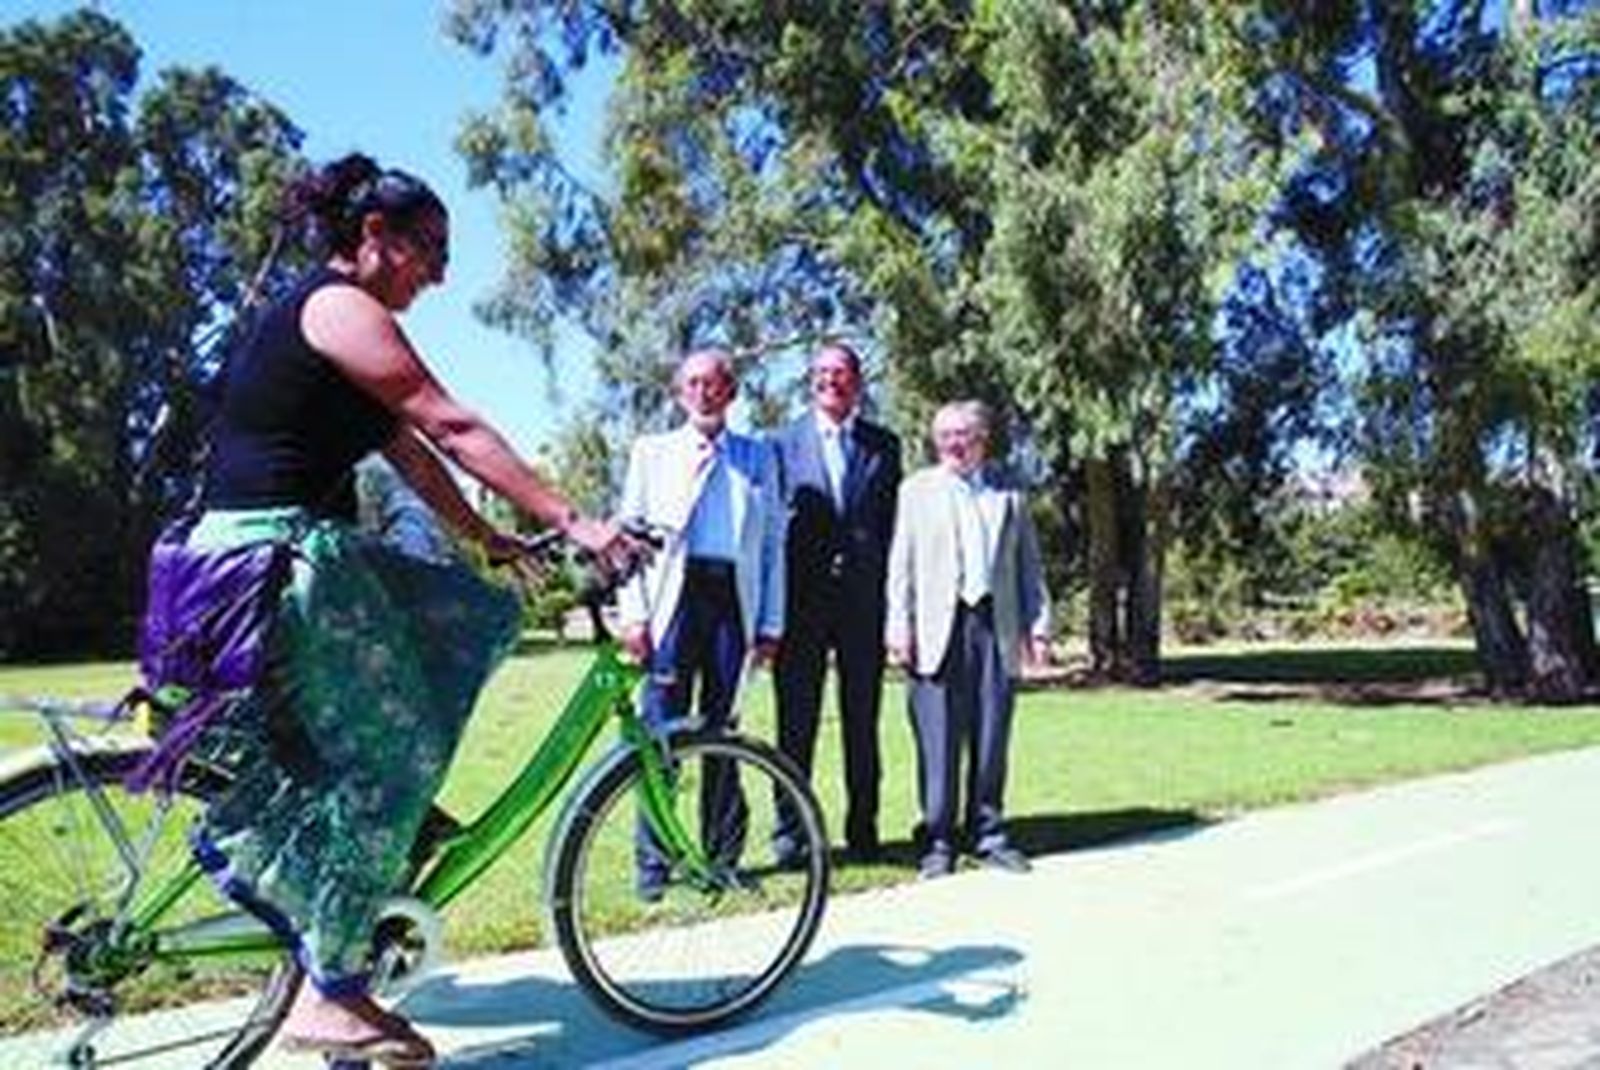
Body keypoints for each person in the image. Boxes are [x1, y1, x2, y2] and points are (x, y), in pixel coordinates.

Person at [174, 153, 636, 1065]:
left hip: (263, 550)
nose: (441, 271)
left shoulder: (336, 329)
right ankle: (332, 989)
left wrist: (486, 539)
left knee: (469, 612)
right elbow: (452, 424)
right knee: (395, 755)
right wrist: (576, 521)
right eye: (429, 246)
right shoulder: (342, 307)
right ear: (373, 237)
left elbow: (415, 455)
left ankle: (374, 857)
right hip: (279, 557)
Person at [616, 348, 785, 897]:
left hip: (732, 601)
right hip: (672, 601)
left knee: (721, 735)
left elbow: (773, 547)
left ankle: (722, 859)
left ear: (731, 392)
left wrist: (771, 622)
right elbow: (628, 540)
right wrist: (635, 616)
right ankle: (653, 867)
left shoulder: (758, 457)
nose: (704, 392)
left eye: (715, 383)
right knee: (660, 737)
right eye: (693, 383)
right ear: (678, 392)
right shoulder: (652, 453)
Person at [885, 400, 1050, 880]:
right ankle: (937, 840)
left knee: (992, 735)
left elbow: (1029, 568)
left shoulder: (1009, 493)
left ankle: (989, 833)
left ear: (983, 438)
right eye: (945, 436)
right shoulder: (915, 491)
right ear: (936, 442)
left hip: (994, 628)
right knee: (937, 740)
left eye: (964, 434)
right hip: (936, 630)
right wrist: (898, 625)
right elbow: (901, 566)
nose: (955, 443)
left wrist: (1038, 627)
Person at [772, 342, 900, 864]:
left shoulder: (884, 445)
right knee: (795, 725)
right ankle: (791, 836)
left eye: (842, 373)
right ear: (810, 381)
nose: (832, 381)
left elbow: (892, 528)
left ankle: (863, 830)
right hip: (801, 606)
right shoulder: (780, 444)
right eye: (822, 373)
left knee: (861, 721)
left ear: (858, 382)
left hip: (862, 606)